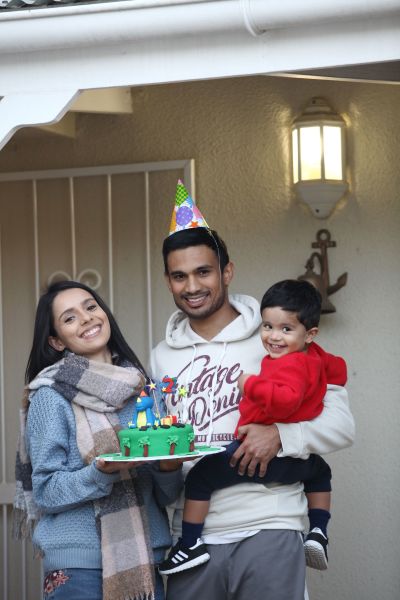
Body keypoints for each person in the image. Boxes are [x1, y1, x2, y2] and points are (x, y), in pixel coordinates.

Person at [150, 211, 354, 600]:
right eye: (179, 276)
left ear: (227, 272)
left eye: (204, 272)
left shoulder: (277, 337)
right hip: (192, 538)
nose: (192, 286)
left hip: (269, 523)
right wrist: (164, 463)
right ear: (168, 281)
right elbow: (168, 462)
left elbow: (342, 425)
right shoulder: (161, 357)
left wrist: (279, 435)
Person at [13, 280, 183, 600]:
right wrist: (101, 471)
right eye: (70, 317)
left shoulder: (143, 391)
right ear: (56, 341)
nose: (87, 317)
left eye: (91, 307)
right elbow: (46, 491)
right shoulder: (50, 397)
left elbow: (165, 495)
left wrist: (170, 466)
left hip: (147, 559)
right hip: (79, 569)